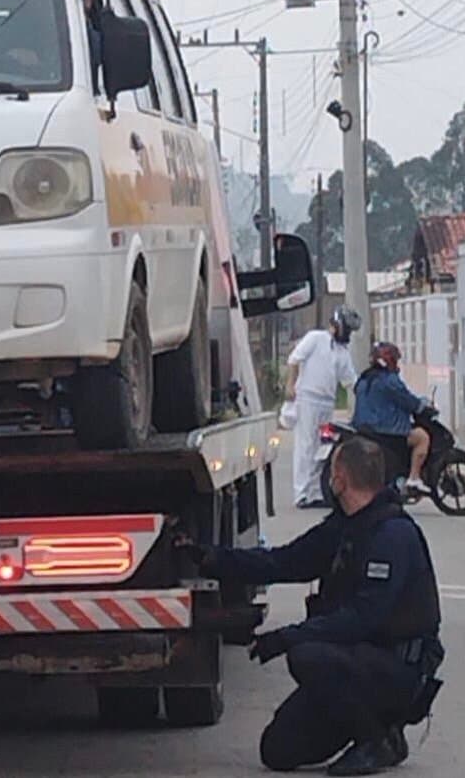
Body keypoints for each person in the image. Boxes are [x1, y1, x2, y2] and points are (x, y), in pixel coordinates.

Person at [178, 436, 444, 776]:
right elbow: (284, 562)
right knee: (277, 750)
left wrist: (287, 637)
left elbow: (363, 619)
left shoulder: (392, 535)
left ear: (341, 479)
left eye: (332, 471)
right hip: (353, 665)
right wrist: (211, 558)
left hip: (395, 669)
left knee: (306, 655)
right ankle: (371, 726)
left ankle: (377, 740)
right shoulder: (345, 526)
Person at [285, 306, 360, 508]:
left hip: (327, 403)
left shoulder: (343, 353)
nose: (348, 334)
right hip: (308, 398)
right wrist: (290, 385)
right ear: (337, 325)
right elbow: (294, 360)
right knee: (306, 446)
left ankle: (316, 492)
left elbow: (351, 382)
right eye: (347, 329)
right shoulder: (315, 338)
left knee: (323, 448)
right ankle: (301, 493)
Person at [352, 342, 433, 496]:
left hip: (363, 428)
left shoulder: (364, 378)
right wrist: (422, 406)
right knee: (422, 437)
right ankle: (414, 478)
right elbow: (407, 400)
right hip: (388, 429)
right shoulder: (389, 380)